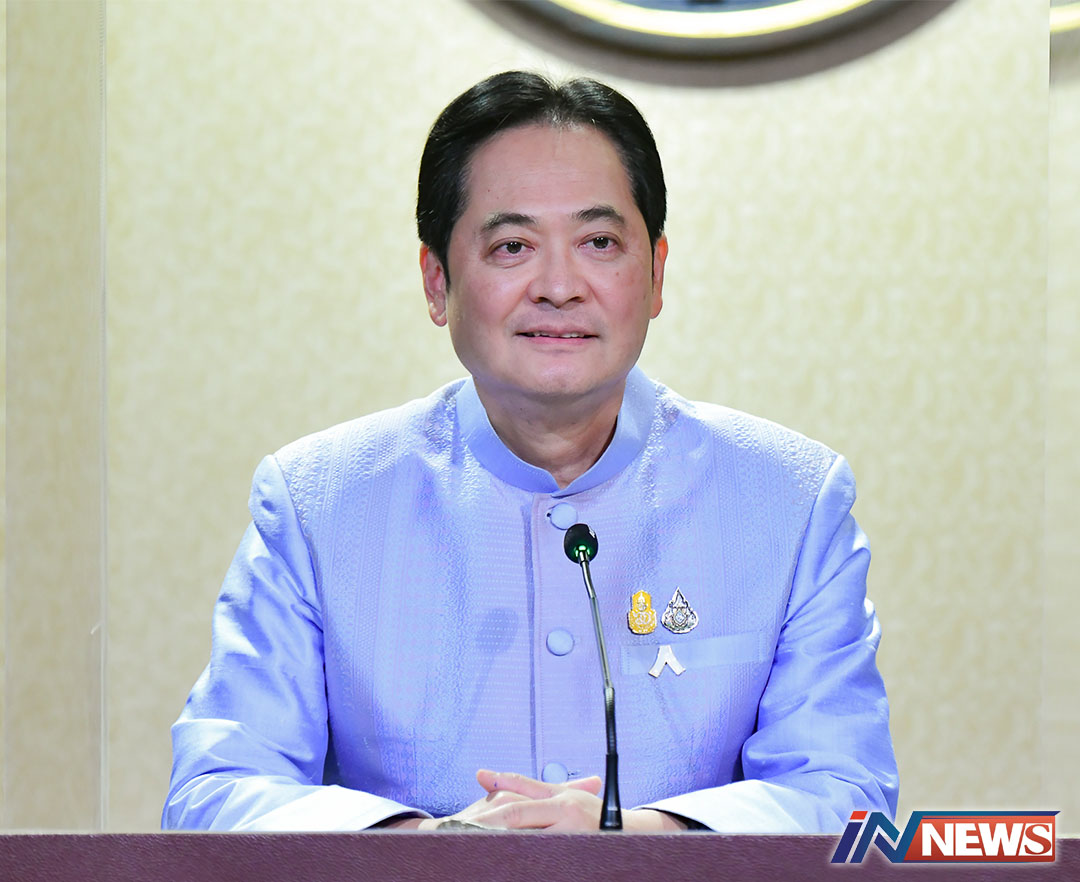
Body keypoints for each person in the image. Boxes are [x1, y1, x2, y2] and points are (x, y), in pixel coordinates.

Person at [163, 70, 898, 833]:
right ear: (437, 282)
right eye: (512, 246)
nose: (558, 286)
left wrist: (644, 840)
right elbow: (214, 794)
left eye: (599, 243)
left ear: (655, 274)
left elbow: (848, 795)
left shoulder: (789, 501)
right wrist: (431, 848)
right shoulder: (319, 503)